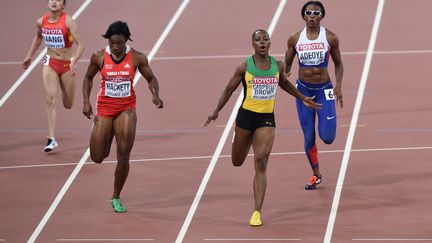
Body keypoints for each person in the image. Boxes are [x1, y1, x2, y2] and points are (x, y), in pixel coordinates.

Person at [204, 29, 321, 226]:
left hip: (266, 119)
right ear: (253, 44)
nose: (262, 42)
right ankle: (240, 138)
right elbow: (228, 89)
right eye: (257, 40)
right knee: (237, 161)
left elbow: (285, 84)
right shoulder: (244, 67)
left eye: (265, 39)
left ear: (269, 43)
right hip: (245, 117)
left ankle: (257, 211)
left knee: (261, 162)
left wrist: (302, 98)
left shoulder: (277, 65)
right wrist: (216, 110)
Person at [82, 21, 163, 213]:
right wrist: (86, 101)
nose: (115, 47)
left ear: (126, 41)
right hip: (105, 108)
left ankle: (116, 196)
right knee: (97, 157)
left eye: (119, 43)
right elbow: (87, 78)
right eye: (112, 43)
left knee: (124, 153)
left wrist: (155, 95)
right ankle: (107, 135)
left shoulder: (137, 57)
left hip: (126, 108)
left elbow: (151, 78)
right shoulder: (99, 56)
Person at [284, 1, 344, 190]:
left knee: (327, 137)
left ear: (321, 16)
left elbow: (338, 64)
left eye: (316, 13)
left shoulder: (331, 38)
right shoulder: (295, 39)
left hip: (324, 90)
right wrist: (284, 73)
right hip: (303, 92)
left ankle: (325, 127)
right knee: (309, 137)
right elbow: (287, 64)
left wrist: (339, 86)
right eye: (308, 12)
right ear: (303, 16)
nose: (312, 16)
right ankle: (316, 174)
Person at [22, 0, 84, 152]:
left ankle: (63, 85)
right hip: (50, 63)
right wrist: (29, 55)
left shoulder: (69, 22)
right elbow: (38, 37)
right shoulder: (41, 22)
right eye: (52, 0)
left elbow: (81, 44)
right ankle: (51, 139)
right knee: (49, 97)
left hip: (67, 65)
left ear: (63, 5)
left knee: (68, 104)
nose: (54, 2)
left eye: (58, 0)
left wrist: (74, 61)